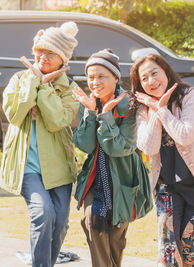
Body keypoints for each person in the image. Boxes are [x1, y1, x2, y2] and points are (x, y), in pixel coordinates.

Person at [0, 22, 80, 267]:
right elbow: (14, 114)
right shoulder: (18, 79)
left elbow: (57, 121)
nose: (43, 57)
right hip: (27, 165)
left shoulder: (70, 88)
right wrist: (34, 82)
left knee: (60, 222)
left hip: (59, 167)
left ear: (63, 58)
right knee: (42, 213)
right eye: (39, 52)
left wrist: (44, 86)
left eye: (51, 53)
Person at [132, 54, 194, 266]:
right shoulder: (144, 107)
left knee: (191, 256)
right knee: (168, 255)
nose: (151, 81)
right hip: (167, 188)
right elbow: (148, 146)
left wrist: (162, 109)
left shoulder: (191, 95)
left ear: (166, 72)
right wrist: (154, 111)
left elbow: (185, 135)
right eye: (144, 78)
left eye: (154, 73)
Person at [73, 49, 153, 267]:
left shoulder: (130, 105)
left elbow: (121, 148)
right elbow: (86, 146)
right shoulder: (89, 102)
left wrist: (107, 116)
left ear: (116, 78)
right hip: (95, 179)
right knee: (93, 223)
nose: (94, 82)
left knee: (116, 237)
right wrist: (91, 113)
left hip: (123, 178)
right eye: (90, 77)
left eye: (101, 76)